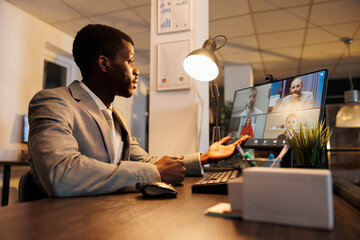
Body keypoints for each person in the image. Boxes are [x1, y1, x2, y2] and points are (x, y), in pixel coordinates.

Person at [28, 24, 249, 198]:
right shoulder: (53, 102)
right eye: (130, 61)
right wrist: (154, 174)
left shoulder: (117, 116)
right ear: (104, 64)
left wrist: (204, 157)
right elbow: (61, 174)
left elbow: (147, 162)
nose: (136, 70)